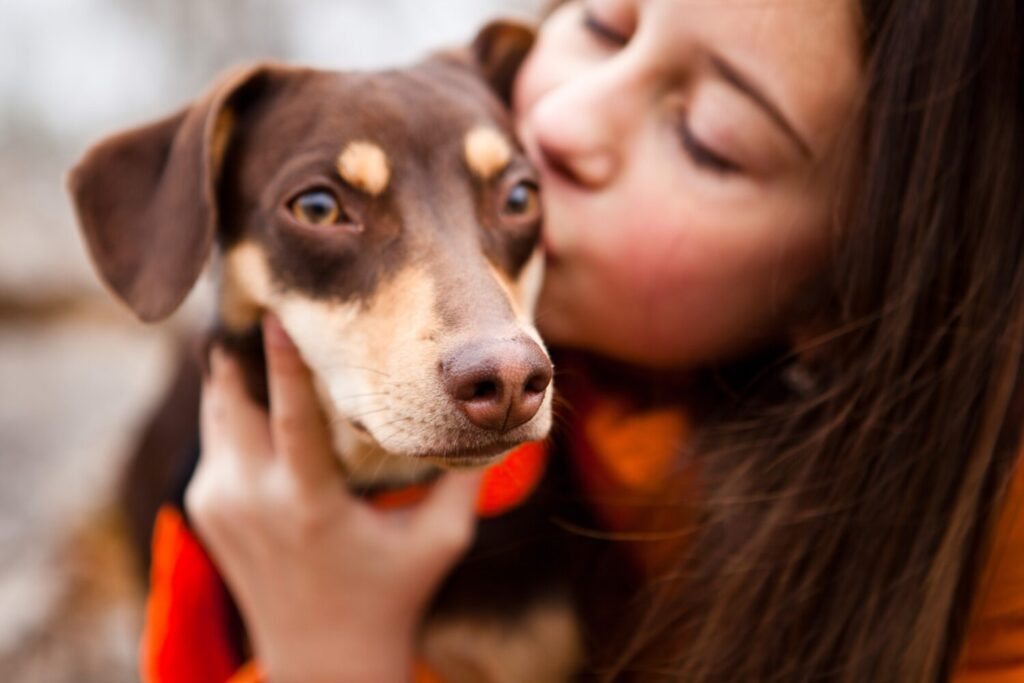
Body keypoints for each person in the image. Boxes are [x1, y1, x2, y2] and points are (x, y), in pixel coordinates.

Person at [185, 0, 1024, 681]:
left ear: (853, 297)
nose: (555, 122)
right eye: (602, 25)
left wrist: (330, 660)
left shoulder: (984, 591)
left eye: (706, 136)